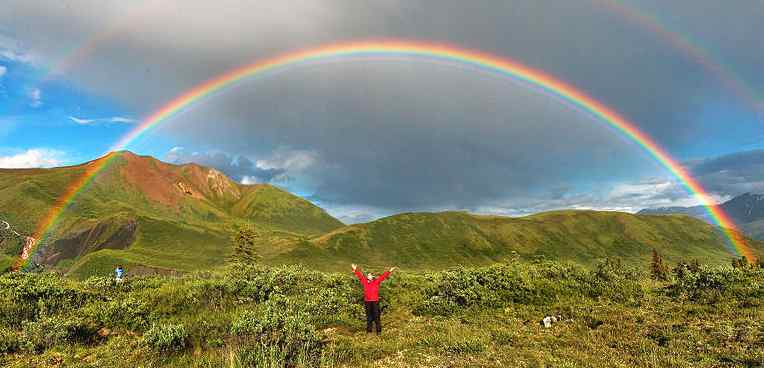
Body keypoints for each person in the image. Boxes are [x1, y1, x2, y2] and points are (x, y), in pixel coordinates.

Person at [352, 263, 396, 335]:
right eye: (368, 275)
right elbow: (360, 276)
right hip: (367, 302)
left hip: (375, 301)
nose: (368, 276)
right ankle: (369, 331)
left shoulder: (376, 282)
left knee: (376, 316)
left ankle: (379, 331)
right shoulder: (365, 282)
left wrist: (389, 271)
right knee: (369, 317)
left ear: (372, 277)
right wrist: (355, 269)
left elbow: (383, 277)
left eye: (370, 275)